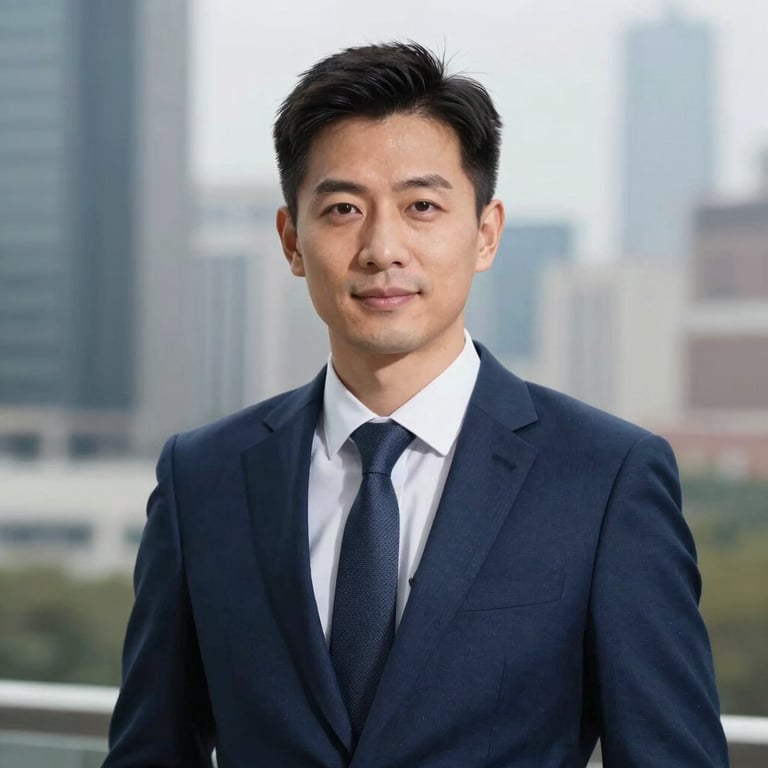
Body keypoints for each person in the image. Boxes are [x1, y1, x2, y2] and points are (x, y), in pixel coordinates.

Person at [103, 42, 728, 767]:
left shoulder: (603, 477)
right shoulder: (203, 477)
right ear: (292, 239)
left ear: (485, 232)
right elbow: (150, 750)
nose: (381, 247)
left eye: (422, 206)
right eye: (342, 208)